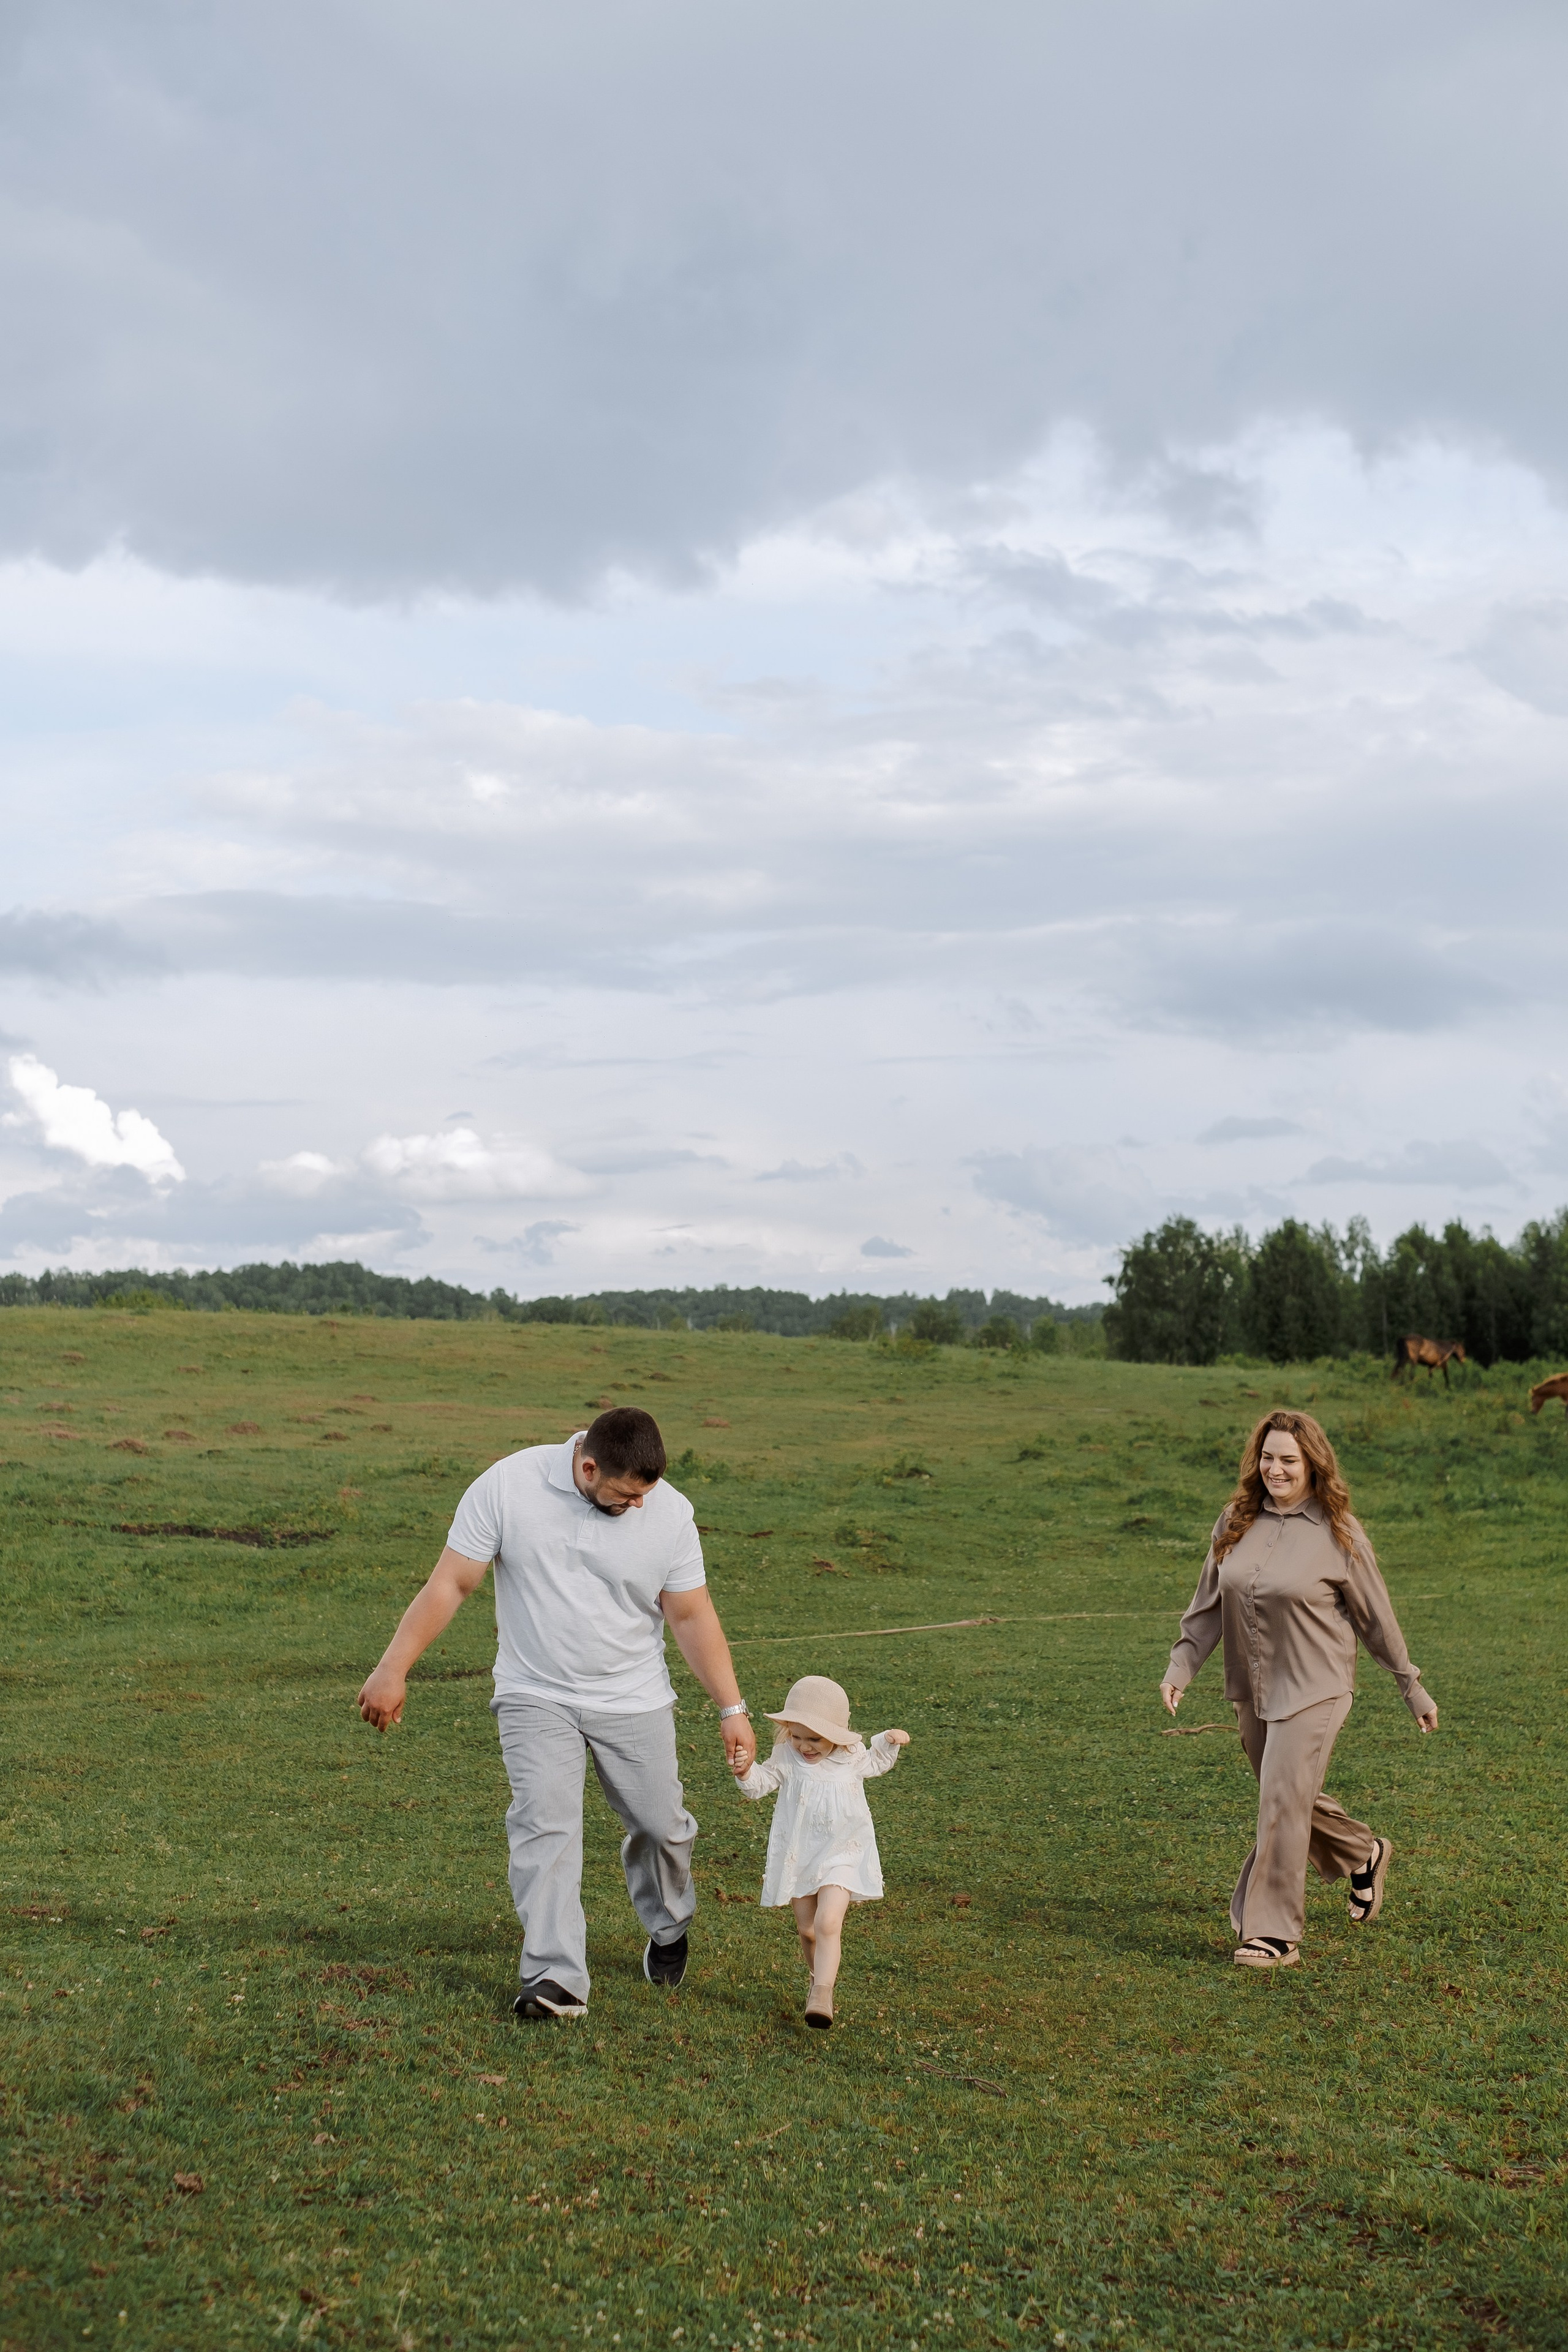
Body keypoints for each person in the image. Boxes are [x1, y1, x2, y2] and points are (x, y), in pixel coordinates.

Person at [356, 1406, 756, 2019]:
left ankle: (669, 1926)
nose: (638, 1506)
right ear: (587, 1465)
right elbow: (451, 1584)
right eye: (625, 1495)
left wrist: (731, 1707)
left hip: (634, 1698)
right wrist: (393, 1667)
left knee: (660, 1827)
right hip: (533, 1693)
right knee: (544, 1826)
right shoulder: (508, 1486)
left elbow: (690, 1615)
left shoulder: (669, 1512)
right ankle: (555, 1979)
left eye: (644, 1494)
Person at [1160, 1409, 1438, 1971]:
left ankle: (1273, 1932)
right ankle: (1363, 1852)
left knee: (1280, 1802)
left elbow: (1377, 1620)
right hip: (1253, 1687)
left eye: (1289, 1459)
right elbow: (1209, 1605)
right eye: (1268, 1458)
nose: (1276, 1470)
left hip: (1318, 1685)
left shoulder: (1340, 1533)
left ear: (1313, 1462)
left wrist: (1412, 1687)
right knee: (1291, 1795)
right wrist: (1181, 1666)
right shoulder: (1235, 1520)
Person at [732, 1673, 908, 2028]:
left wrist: (889, 1742)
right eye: (796, 1736)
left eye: (814, 1738)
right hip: (800, 1855)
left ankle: (823, 1994)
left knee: (828, 1922)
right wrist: (746, 1771)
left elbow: (876, 1762)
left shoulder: (852, 1756)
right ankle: (817, 1979)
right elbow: (759, 1786)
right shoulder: (786, 1757)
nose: (804, 1746)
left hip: (843, 1852)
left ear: (835, 1736)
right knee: (808, 1930)